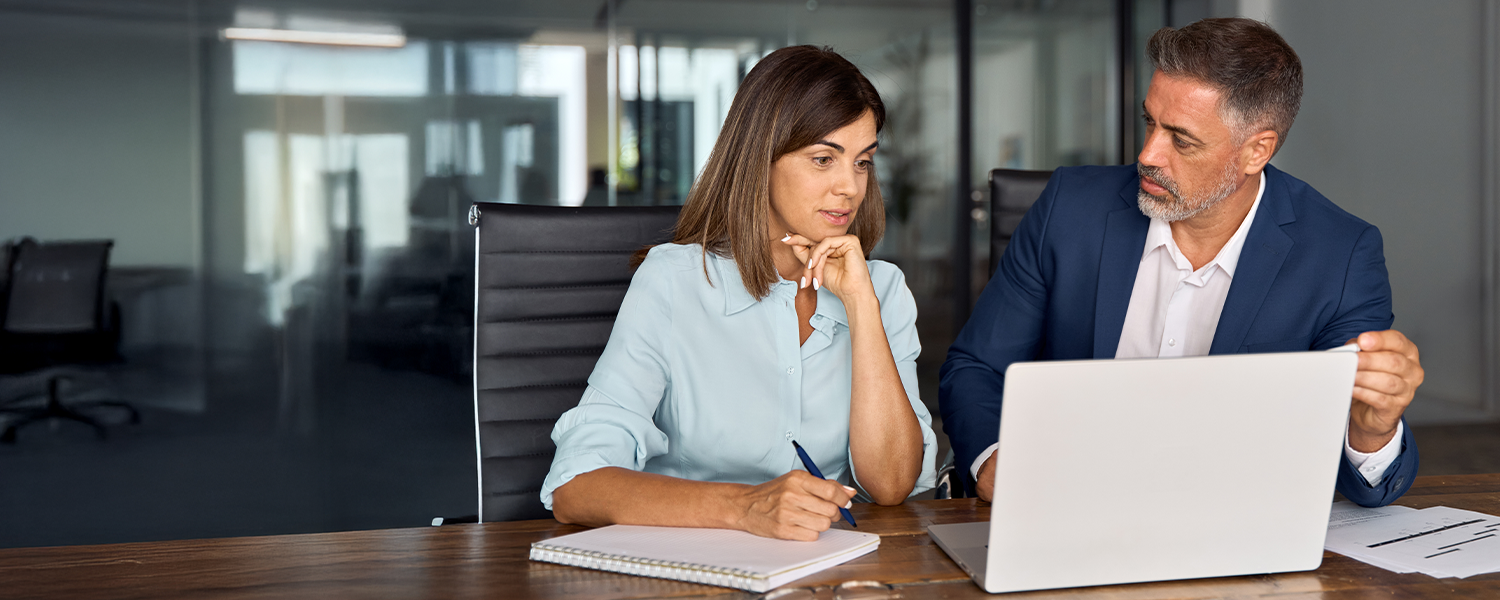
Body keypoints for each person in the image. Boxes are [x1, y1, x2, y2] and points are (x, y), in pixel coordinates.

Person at [940, 18, 1424, 508]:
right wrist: (992, 459)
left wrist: (1370, 432)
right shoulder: (1069, 208)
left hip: (1228, 520)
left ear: (1257, 150)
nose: (1148, 154)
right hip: (1063, 500)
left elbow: (1361, 482)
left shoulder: (1340, 255)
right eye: (1150, 121)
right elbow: (976, 365)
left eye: (1182, 139)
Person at [541, 45, 937, 541]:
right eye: (823, 159)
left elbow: (893, 485)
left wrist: (861, 306)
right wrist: (746, 507)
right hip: (692, 566)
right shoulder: (675, 281)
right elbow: (575, 487)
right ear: (760, 159)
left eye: (863, 163)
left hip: (830, 565)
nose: (850, 187)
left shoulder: (881, 289)